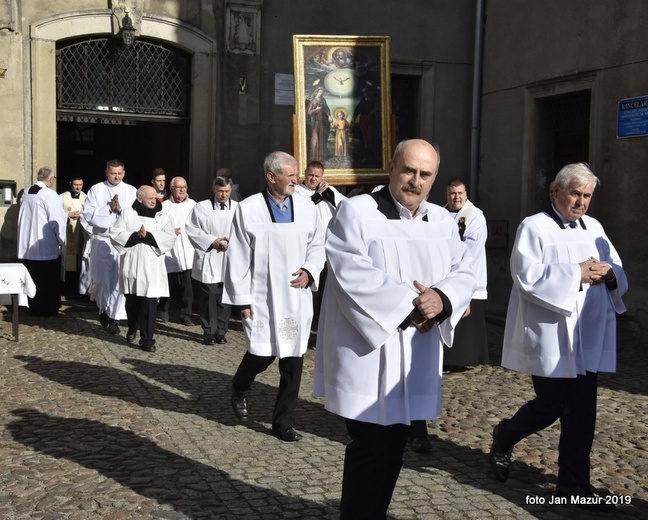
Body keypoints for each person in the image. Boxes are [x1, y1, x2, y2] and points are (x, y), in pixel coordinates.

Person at [313, 139, 477, 519]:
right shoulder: (357, 212)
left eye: (425, 174)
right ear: (391, 167)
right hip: (369, 352)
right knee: (369, 448)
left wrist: (443, 298)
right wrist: (413, 305)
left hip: (416, 355)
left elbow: (464, 270)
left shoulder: (441, 221)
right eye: (408, 170)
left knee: (395, 448)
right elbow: (349, 270)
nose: (415, 181)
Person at [489, 163, 627, 510]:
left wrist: (610, 274)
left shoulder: (594, 228)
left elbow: (617, 268)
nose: (581, 202)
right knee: (552, 405)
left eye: (587, 196)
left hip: (588, 333)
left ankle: (573, 483)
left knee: (583, 411)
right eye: (575, 193)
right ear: (555, 191)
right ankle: (505, 434)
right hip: (551, 334)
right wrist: (576, 273)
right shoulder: (534, 227)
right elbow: (526, 275)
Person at [224, 151, 325, 442]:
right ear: (272, 177)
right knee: (261, 354)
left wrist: (310, 269)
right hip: (262, 297)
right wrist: (241, 300)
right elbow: (239, 257)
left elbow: (319, 243)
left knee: (293, 360)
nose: (297, 179)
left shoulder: (307, 207)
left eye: (297, 174)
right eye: (291, 175)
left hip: (296, 295)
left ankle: (283, 422)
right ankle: (241, 385)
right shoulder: (249, 209)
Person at [109, 185, 176, 352]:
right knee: (132, 303)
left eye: (155, 198)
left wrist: (149, 237)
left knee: (149, 303)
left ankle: (147, 340)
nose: (154, 201)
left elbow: (169, 237)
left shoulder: (162, 216)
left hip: (152, 266)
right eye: (150, 198)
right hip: (132, 263)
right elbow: (115, 233)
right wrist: (135, 236)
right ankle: (132, 327)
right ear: (140, 199)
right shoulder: (127, 213)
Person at [81, 159, 137, 334]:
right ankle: (103, 309)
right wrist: (108, 210)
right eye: (113, 173)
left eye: (120, 173)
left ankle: (114, 318)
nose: (116, 176)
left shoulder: (131, 191)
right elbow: (88, 215)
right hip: (102, 240)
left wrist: (120, 211)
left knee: (119, 281)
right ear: (106, 173)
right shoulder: (96, 190)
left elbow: (136, 215)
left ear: (124, 173)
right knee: (103, 281)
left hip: (122, 241)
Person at [294, 161, 347, 332]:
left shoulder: (328, 191)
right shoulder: (297, 192)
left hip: (329, 250)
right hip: (307, 249)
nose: (313, 179)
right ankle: (307, 326)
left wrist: (329, 194)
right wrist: (318, 195)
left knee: (326, 290)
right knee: (310, 290)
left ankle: (322, 329)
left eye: (317, 176)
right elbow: (302, 211)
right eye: (310, 175)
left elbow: (346, 207)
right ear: (305, 174)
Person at [186, 176, 239, 345]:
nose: (223, 195)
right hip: (209, 256)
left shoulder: (238, 208)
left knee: (225, 297)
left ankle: (221, 331)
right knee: (208, 296)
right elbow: (191, 228)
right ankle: (209, 331)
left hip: (229, 256)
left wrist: (231, 242)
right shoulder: (202, 207)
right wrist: (212, 241)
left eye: (227, 191)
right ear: (214, 189)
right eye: (220, 191)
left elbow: (244, 230)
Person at [17, 166, 67, 316]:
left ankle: (33, 305)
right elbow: (56, 220)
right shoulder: (50, 195)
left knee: (33, 277)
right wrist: (61, 240)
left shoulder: (26, 192)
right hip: (45, 247)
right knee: (46, 280)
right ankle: (47, 308)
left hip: (27, 245)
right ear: (51, 180)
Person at [160, 176, 197, 325]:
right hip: (171, 250)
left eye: (184, 187)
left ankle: (186, 314)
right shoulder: (164, 207)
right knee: (169, 283)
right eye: (178, 187)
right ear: (172, 189)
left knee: (188, 287)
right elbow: (159, 225)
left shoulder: (194, 205)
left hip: (188, 249)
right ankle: (163, 309)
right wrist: (169, 232)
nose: (182, 190)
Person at [60, 177, 87, 296]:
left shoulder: (87, 198)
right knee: (68, 261)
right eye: (76, 184)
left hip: (81, 233)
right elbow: (56, 212)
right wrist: (68, 214)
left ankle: (78, 290)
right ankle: (67, 289)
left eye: (80, 185)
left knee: (80, 261)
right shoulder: (62, 197)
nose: (78, 187)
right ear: (70, 183)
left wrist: (81, 215)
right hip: (68, 233)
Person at [307, 87, 331, 162]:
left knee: (321, 139)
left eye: (322, 92)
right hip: (315, 122)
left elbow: (327, 109)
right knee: (315, 139)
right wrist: (316, 110)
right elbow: (309, 112)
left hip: (323, 122)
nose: (321, 93)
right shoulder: (313, 101)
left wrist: (329, 116)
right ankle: (314, 158)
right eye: (320, 92)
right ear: (317, 92)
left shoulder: (323, 100)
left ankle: (320, 158)